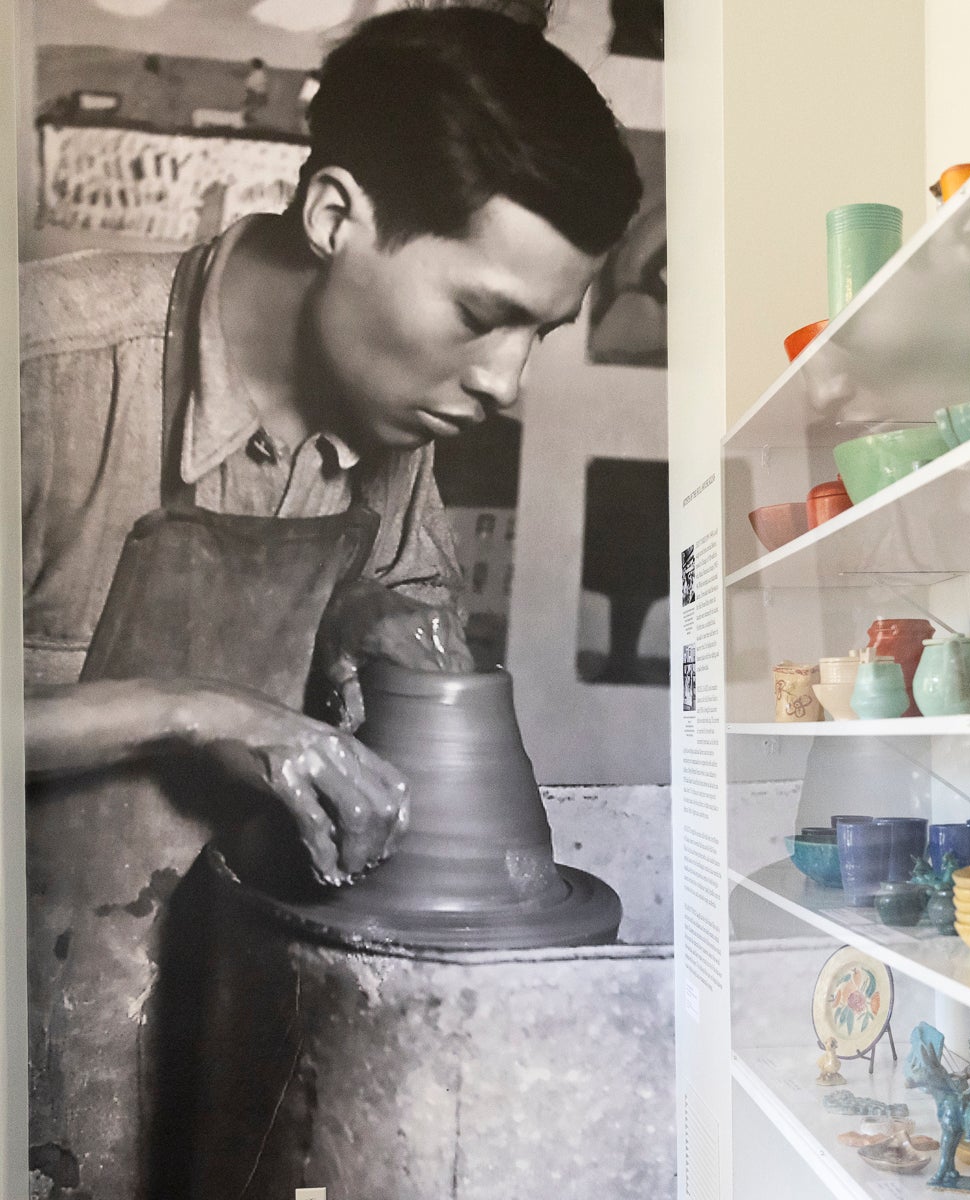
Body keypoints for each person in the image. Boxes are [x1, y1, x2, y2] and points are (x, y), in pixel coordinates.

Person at [18, 9, 642, 1197]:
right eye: (479, 317)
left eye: (540, 335)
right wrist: (205, 709)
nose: (506, 383)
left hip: (196, 1016)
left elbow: (420, 672)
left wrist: (395, 656)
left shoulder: (397, 437)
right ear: (334, 217)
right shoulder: (45, 374)